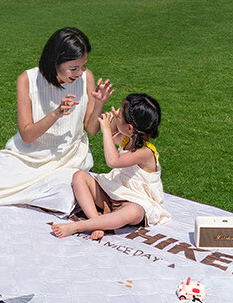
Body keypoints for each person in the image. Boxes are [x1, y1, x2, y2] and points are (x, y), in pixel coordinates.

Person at [0, 27, 113, 215]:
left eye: (83, 66)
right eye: (73, 68)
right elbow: (27, 136)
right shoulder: (27, 80)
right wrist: (56, 114)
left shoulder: (86, 78)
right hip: (29, 156)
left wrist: (99, 103)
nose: (79, 73)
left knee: (64, 198)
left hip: (68, 158)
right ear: (55, 61)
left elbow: (92, 130)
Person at [51, 93, 170, 240]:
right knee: (79, 176)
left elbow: (113, 161)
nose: (116, 114)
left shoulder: (145, 152)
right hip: (114, 192)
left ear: (130, 128)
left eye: (119, 115)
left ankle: (80, 226)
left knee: (134, 212)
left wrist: (106, 129)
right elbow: (114, 136)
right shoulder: (128, 138)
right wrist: (114, 122)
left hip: (135, 201)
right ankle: (96, 221)